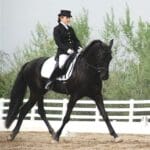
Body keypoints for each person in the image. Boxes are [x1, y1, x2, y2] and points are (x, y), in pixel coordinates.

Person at [45, 10, 82, 89]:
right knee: (61, 64)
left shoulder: (70, 29)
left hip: (73, 52)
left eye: (69, 18)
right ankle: (51, 81)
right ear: (61, 18)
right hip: (63, 52)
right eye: (67, 18)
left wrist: (79, 47)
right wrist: (67, 50)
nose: (69, 19)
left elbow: (76, 40)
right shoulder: (57, 29)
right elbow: (58, 42)